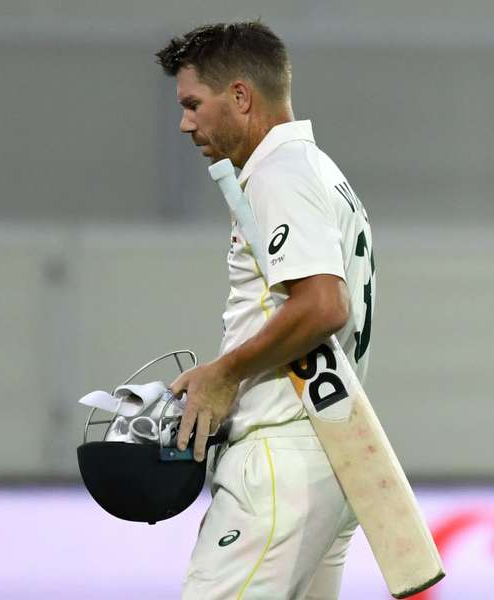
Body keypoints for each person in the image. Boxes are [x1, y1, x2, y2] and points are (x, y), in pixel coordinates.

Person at [155, 21, 377, 599]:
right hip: (328, 451)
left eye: (192, 104)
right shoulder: (319, 170)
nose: (185, 123)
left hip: (281, 460)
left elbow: (324, 305)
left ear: (240, 97)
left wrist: (223, 374)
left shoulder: (280, 172)